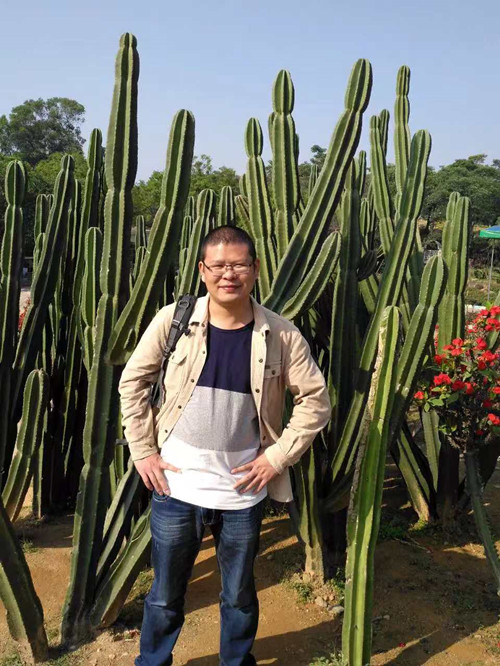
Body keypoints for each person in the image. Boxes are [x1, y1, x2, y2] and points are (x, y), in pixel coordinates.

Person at [118, 225, 331, 666]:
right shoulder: (174, 321)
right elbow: (133, 381)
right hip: (175, 488)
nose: (228, 274)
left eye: (238, 265)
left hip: (242, 492)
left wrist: (277, 458)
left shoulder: (280, 334)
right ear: (202, 270)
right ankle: (152, 662)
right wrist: (143, 450)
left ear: (255, 269)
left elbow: (315, 401)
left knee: (238, 595)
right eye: (218, 265)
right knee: (164, 594)